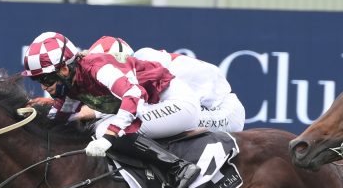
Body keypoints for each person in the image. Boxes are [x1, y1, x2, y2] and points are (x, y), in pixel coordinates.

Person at [21, 31, 201, 188]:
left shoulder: (97, 67)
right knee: (97, 128)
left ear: (64, 70)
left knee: (104, 130)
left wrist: (110, 136)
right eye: (37, 81)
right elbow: (57, 120)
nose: (43, 87)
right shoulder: (71, 85)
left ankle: (178, 167)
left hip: (177, 103)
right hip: (151, 105)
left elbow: (133, 94)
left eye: (46, 79)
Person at [89, 35, 246, 133]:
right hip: (206, 106)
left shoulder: (146, 63)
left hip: (223, 112)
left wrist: (95, 113)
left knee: (141, 124)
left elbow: (134, 104)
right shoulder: (140, 60)